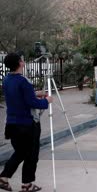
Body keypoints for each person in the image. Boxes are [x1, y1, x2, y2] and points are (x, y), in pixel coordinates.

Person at [0, 53, 52, 192]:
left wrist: (34, 93)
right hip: (27, 125)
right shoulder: (23, 81)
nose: (24, 61)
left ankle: (3, 178)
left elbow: (18, 96)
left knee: (20, 152)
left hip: (11, 123)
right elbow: (32, 103)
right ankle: (27, 185)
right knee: (31, 155)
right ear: (20, 63)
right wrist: (46, 101)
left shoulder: (6, 80)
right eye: (22, 60)